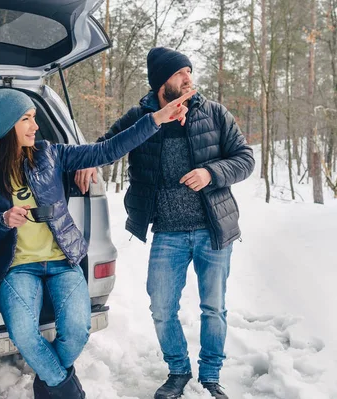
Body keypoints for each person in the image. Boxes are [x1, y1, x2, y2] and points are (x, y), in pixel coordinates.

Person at [0, 87, 194, 399]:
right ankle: (69, 392)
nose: (35, 126)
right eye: (27, 119)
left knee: (76, 331)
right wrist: (3, 222)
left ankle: (50, 383)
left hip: (62, 260)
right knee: (23, 334)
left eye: (34, 118)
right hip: (17, 267)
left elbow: (107, 150)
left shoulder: (49, 154)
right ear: (6, 126)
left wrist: (157, 119)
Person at [75, 47, 255, 399]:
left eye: (190, 72)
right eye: (180, 74)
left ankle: (211, 377)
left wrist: (210, 172)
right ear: (161, 83)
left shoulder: (214, 113)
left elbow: (245, 158)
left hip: (212, 229)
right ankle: (177, 371)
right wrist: (88, 163)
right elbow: (105, 145)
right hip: (167, 233)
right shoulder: (141, 116)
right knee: (161, 308)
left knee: (213, 307)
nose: (189, 79)